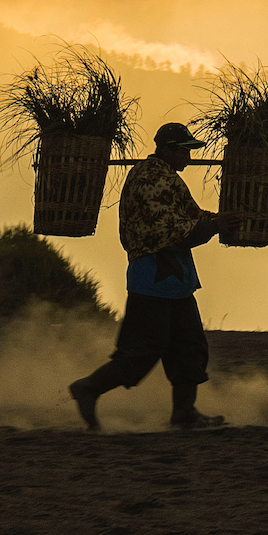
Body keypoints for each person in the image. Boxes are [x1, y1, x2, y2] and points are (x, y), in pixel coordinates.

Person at [67, 120, 238, 431]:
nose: (189, 157)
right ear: (169, 151)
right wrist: (215, 226)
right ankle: (88, 389)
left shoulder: (163, 177)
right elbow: (173, 231)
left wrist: (216, 220)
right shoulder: (152, 181)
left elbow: (189, 216)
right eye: (185, 151)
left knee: (190, 347)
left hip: (175, 284)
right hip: (153, 281)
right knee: (142, 351)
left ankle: (184, 414)